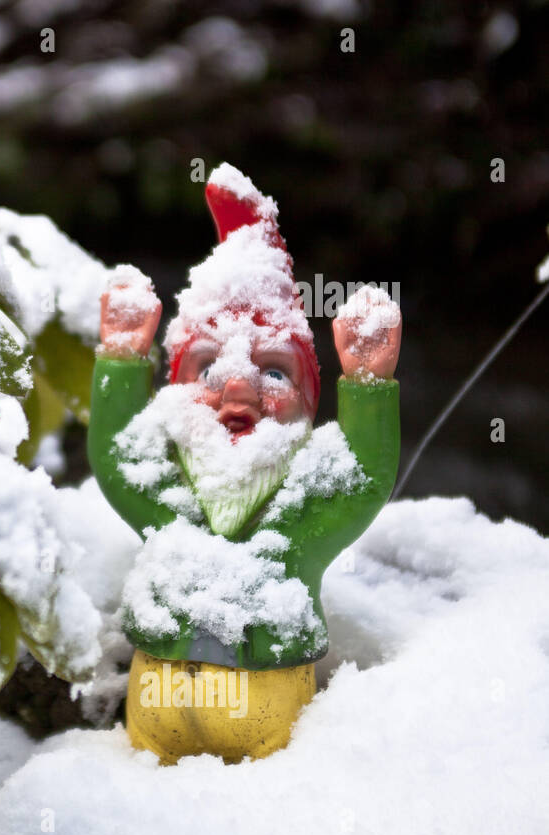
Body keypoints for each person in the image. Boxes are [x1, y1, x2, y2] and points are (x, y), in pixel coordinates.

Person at [88, 164, 402, 763]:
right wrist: (122, 363)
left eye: (274, 371)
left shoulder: (303, 500)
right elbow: (115, 453)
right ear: (173, 389)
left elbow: (364, 476)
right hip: (155, 719)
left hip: (270, 725)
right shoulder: (166, 492)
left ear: (311, 404)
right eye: (207, 369)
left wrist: (367, 383)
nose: (240, 394)